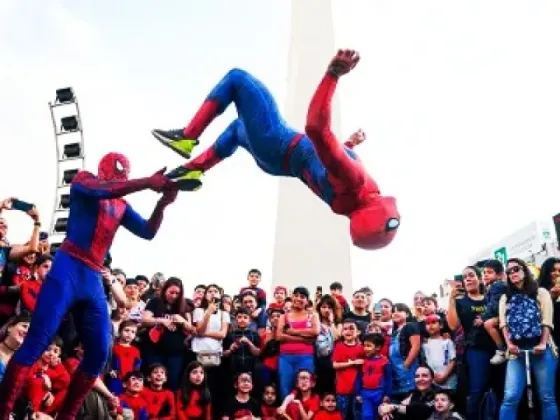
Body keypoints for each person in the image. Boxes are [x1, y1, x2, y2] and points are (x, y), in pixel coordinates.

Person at [152, 49, 400, 250]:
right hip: (274, 162)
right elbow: (327, 166)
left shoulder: (355, 181)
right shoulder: (346, 202)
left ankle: (187, 137)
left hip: (278, 142)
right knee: (237, 129)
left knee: (237, 79)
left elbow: (316, 129)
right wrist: (349, 145)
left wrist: (332, 75)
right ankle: (192, 170)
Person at [0, 152, 178, 420]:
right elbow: (107, 189)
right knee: (38, 339)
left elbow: (148, 232)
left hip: (92, 275)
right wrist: (148, 182)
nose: (120, 178)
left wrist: (162, 204)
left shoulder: (121, 204)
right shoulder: (85, 181)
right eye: (118, 173)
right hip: (69, 265)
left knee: (98, 353)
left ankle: (67, 416)